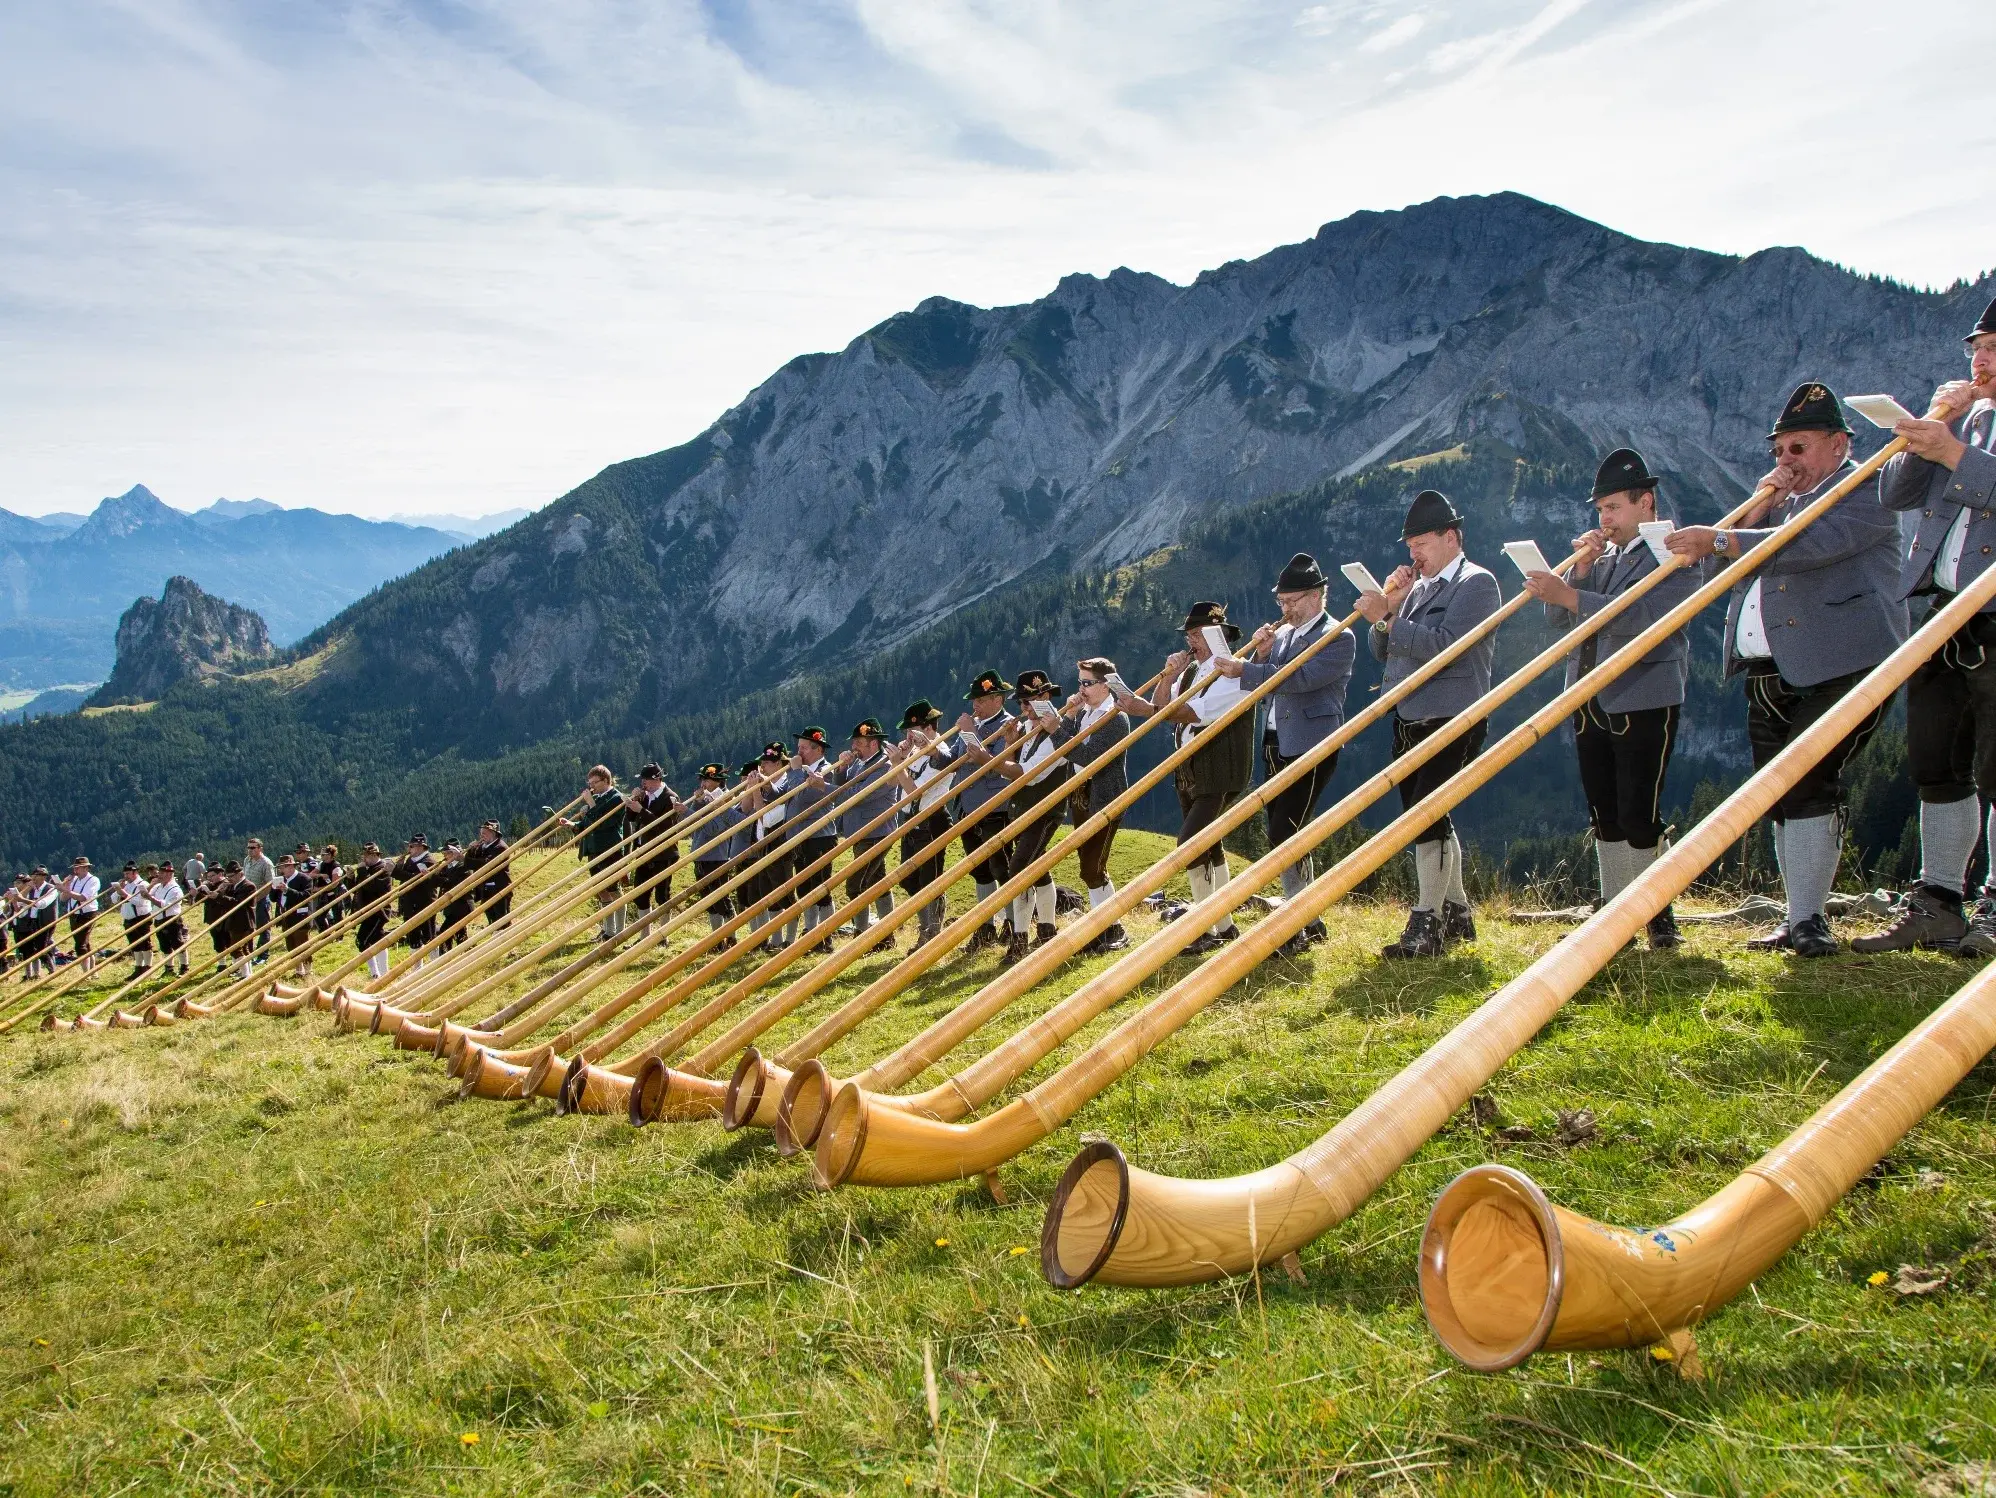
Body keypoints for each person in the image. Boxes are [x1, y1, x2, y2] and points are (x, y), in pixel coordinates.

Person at [1667, 381, 1908, 957]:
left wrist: (1723, 536)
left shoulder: (1866, 490)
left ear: (1837, 445)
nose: (1784, 461)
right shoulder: (1779, 508)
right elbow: (1738, 568)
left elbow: (1803, 548)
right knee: (1780, 790)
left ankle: (1810, 919)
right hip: (1770, 667)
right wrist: (1755, 510)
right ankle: (1798, 914)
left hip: (1841, 662)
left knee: (1810, 779)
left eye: (1797, 449)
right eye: (1777, 451)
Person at [1524, 449, 1697, 951]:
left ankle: (1656, 910)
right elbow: (1559, 620)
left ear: (1646, 503)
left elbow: (1644, 621)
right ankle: (1617, 905)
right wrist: (1577, 575)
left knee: (1639, 809)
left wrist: (1572, 595)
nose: (1605, 520)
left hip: (1645, 693)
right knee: (1604, 809)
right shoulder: (1609, 556)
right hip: (1588, 694)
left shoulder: (1672, 551)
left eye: (1613, 508)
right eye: (1600, 510)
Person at [1863, 303, 1996, 954]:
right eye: (1977, 346)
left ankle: (1994, 904)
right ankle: (1941, 899)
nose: (1981, 359)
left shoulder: (1967, 436)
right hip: (1943, 608)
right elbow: (1895, 493)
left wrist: (1952, 451)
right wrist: (1930, 426)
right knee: (1935, 757)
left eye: (1995, 347)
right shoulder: (1969, 419)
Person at [1358, 489, 1502, 959]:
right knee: (1428, 814)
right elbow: (1383, 651)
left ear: (1451, 537)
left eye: (1421, 543)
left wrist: (1389, 617)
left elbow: (1446, 645)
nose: (1413, 554)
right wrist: (1389, 610)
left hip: (1453, 714)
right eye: (1410, 546)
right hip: (1409, 715)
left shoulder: (1478, 583)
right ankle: (1457, 912)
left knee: (1425, 816)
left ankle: (1426, 922)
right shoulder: (1418, 587)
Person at [1212, 552, 1357, 956]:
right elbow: (1270, 681)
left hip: (1314, 742)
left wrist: (1245, 670)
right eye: (1282, 603)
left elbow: (1301, 679)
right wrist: (1260, 653)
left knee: (1283, 831)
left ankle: (1294, 925)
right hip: (1277, 741)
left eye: (1292, 602)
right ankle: (1309, 918)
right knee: (1290, 832)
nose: (1286, 610)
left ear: (1317, 596)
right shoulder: (1289, 635)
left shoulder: (1338, 634)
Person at [1120, 602, 1255, 954]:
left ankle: (1203, 927)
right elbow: (1164, 705)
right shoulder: (1193, 671)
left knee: (1190, 843)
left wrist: (1152, 709)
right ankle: (1223, 926)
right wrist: (1167, 676)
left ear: (1219, 636)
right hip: (1190, 765)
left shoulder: (1233, 671)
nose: (1192, 641)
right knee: (1209, 844)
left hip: (1220, 765)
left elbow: (1186, 712)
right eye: (1190, 635)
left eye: (1199, 634)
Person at [935, 670, 1021, 952]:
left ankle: (1012, 923)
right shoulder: (974, 724)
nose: (975, 705)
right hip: (967, 806)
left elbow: (994, 767)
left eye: (981, 699)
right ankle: (985, 926)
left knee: (1002, 867)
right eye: (975, 700)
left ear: (997, 698)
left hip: (994, 806)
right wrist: (933, 751)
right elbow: (957, 760)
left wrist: (970, 732)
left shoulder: (1008, 725)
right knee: (980, 870)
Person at [1054, 658, 1132, 954]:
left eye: (1087, 683)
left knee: (1092, 865)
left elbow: (1088, 757)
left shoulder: (1115, 717)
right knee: (1090, 864)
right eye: (1080, 683)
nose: (1081, 689)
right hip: (1082, 797)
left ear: (1105, 685)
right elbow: (1072, 747)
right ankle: (1104, 926)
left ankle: (1112, 927)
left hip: (1104, 798)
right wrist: (1070, 718)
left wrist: (1056, 729)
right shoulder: (1087, 712)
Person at [994, 672, 1074, 961]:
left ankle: (1019, 940)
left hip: (1045, 809)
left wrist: (985, 761)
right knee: (1037, 867)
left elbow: (1030, 775)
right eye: (1022, 703)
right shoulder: (1029, 728)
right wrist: (1010, 743)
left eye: (1028, 702)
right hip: (1024, 808)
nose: (1024, 708)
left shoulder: (1059, 730)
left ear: (1044, 697)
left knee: (1019, 871)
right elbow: (1016, 767)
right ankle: (1047, 930)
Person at [892, 700, 957, 951]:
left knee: (930, 881)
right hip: (912, 821)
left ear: (925, 728)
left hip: (931, 820)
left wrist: (899, 764)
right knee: (910, 880)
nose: (907, 735)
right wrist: (902, 757)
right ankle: (927, 928)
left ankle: (931, 934)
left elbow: (914, 791)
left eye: (910, 730)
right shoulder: (917, 752)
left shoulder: (939, 751)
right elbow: (895, 785)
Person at [831, 719, 900, 939]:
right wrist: (841, 769)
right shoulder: (860, 764)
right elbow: (845, 787)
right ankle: (886, 933)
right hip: (861, 831)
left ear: (873, 743)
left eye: (859, 743)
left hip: (876, 831)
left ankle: (862, 933)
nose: (854, 748)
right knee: (877, 881)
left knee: (855, 885)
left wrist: (828, 789)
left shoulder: (885, 766)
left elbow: (857, 797)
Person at [771, 727, 840, 950]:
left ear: (817, 749)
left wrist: (795, 771)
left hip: (819, 836)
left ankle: (826, 934)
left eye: (802, 747)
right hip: (799, 837)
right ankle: (811, 932)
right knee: (804, 888)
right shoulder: (802, 770)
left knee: (820, 888)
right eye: (798, 746)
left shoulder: (826, 769)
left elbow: (800, 797)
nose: (797, 751)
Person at [563, 766, 630, 942]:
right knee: (601, 890)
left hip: (610, 849)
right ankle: (608, 931)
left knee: (614, 889)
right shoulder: (597, 798)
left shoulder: (617, 798)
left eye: (595, 782)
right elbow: (588, 825)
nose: (592, 786)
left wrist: (591, 803)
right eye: (590, 783)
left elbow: (604, 822)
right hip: (593, 849)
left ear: (607, 781)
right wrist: (571, 824)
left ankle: (620, 931)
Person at [684, 764, 742, 941]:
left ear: (717, 781)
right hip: (700, 852)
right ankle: (717, 938)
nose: (703, 783)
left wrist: (689, 811)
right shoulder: (704, 799)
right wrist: (695, 804)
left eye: (706, 780)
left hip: (717, 856)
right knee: (707, 899)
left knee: (721, 899)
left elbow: (714, 829)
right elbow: (690, 824)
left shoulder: (724, 800)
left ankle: (731, 937)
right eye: (702, 779)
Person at [625, 763, 681, 920]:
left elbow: (664, 826)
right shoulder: (645, 796)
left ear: (657, 779)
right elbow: (631, 818)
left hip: (664, 853)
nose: (643, 784)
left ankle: (663, 936)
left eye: (646, 780)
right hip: (644, 851)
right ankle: (646, 936)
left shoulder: (670, 797)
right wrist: (633, 802)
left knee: (662, 896)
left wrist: (641, 810)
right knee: (640, 896)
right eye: (642, 780)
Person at [349, 844, 395, 981]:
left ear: (374, 855)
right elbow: (357, 889)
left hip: (378, 912)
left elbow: (373, 888)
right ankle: (380, 973)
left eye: (366, 856)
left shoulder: (383, 869)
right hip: (366, 911)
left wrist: (362, 871)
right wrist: (351, 878)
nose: (364, 859)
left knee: (363, 940)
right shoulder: (367, 870)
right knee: (377, 941)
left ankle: (377, 973)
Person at [391, 834, 439, 956]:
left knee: (429, 937)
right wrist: (399, 867)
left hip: (424, 904)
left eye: (411, 846)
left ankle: (435, 965)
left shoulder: (429, 861)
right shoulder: (410, 860)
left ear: (420, 847)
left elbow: (415, 880)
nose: (409, 849)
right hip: (410, 905)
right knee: (413, 938)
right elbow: (403, 877)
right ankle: (417, 970)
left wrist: (397, 871)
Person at [463, 821, 513, 927]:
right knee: (491, 920)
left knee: (502, 921)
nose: (482, 835)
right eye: (481, 833)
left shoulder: (501, 847)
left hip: (499, 890)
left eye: (485, 833)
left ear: (493, 833)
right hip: (485, 890)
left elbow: (485, 864)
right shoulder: (482, 846)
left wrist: (470, 859)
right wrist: (471, 850)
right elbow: (468, 864)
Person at [17, 867, 60, 978]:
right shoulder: (31, 889)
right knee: (36, 947)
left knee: (41, 947)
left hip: (47, 921)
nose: (33, 878)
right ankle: (48, 970)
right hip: (33, 921)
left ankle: (52, 970)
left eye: (36, 876)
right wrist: (26, 889)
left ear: (43, 877)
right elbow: (19, 902)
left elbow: (42, 904)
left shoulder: (51, 889)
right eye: (32, 876)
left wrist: (23, 900)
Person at [432, 840, 474, 954]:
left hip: (462, 905)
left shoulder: (464, 866)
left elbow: (451, 883)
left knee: (445, 933)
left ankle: (445, 958)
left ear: (456, 853)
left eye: (448, 853)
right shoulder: (447, 867)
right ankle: (467, 955)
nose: (445, 856)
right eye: (444, 854)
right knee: (460, 933)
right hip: (451, 907)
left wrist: (438, 878)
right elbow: (438, 882)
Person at [62, 856, 102, 973]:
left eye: (78, 868)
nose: (75, 870)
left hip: (88, 913)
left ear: (85, 868)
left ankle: (86, 973)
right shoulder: (73, 880)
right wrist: (66, 886)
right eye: (75, 868)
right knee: (84, 942)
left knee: (80, 944)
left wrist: (67, 891)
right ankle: (92, 971)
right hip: (74, 914)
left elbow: (83, 897)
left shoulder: (93, 880)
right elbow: (63, 898)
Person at [148, 863, 189, 976]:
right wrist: (151, 885)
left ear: (169, 874)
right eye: (159, 873)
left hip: (172, 919)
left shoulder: (176, 889)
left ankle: (184, 967)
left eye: (162, 873)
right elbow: (144, 895)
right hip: (159, 918)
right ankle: (169, 968)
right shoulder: (157, 886)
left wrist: (150, 897)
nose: (159, 875)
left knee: (178, 944)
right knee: (164, 945)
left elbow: (165, 905)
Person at [116, 861, 155, 977]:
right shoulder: (126, 885)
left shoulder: (143, 884)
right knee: (134, 944)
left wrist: (124, 893)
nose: (125, 876)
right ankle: (138, 967)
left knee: (144, 943)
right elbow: (114, 900)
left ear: (135, 873)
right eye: (125, 874)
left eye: (128, 874)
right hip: (128, 918)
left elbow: (139, 902)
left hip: (141, 917)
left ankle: (148, 967)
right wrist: (119, 890)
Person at [243, 838, 276, 952]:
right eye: (248, 847)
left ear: (260, 848)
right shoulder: (247, 860)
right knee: (248, 926)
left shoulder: (266, 863)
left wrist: (257, 898)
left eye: (253, 848)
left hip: (261, 899)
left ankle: (263, 954)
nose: (250, 850)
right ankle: (250, 952)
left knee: (263, 927)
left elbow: (269, 884)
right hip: (248, 899)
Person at [311, 845, 345, 932]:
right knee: (318, 916)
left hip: (336, 893)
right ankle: (326, 934)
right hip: (325, 894)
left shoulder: (336, 867)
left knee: (337, 915)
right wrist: (320, 875)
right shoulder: (321, 864)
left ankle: (339, 936)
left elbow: (333, 885)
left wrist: (318, 889)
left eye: (323, 854)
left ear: (329, 855)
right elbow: (311, 874)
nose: (321, 856)